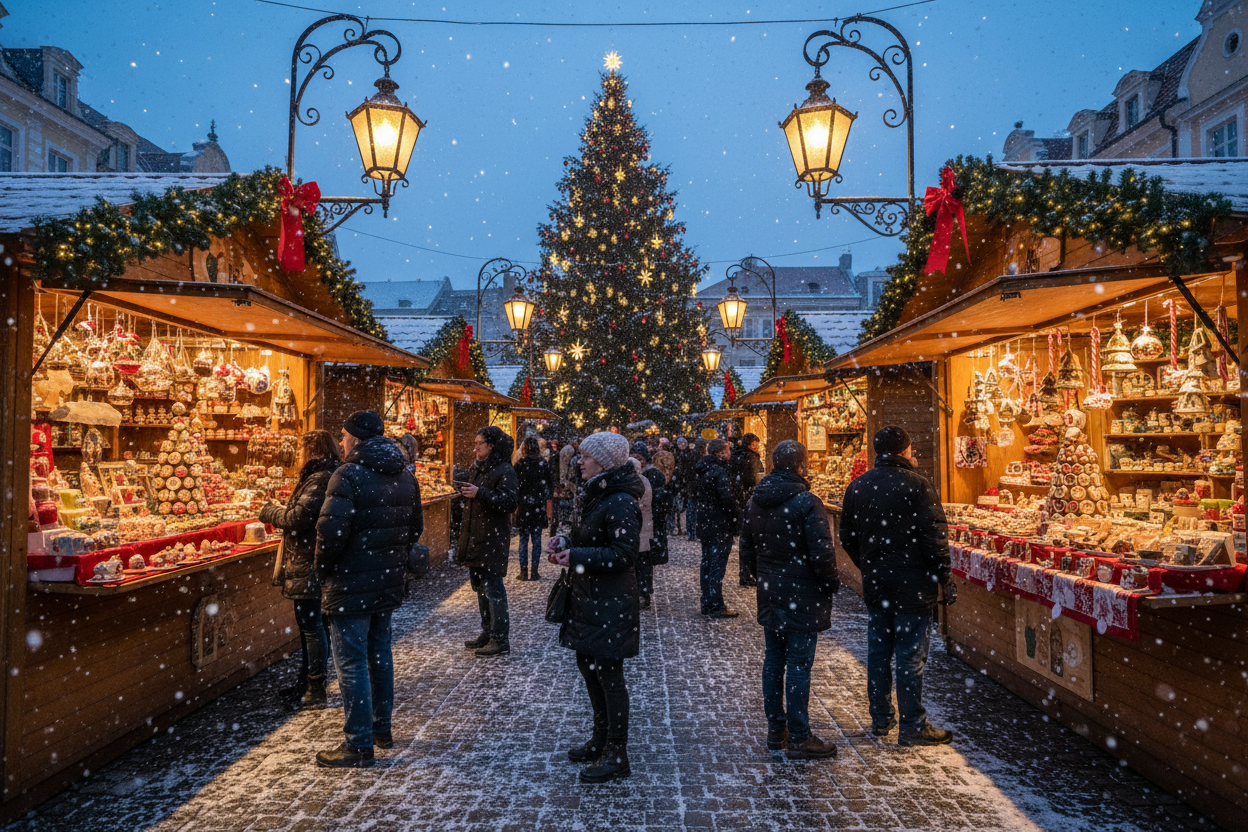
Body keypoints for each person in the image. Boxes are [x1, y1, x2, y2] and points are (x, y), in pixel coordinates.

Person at [314, 411, 423, 768]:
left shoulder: (347, 475)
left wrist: (323, 570)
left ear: (356, 439)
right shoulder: (405, 475)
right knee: (380, 655)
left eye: (344, 436)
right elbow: (414, 528)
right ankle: (381, 728)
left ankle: (358, 744)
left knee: (351, 662)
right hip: (386, 580)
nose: (341, 442)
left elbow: (330, 534)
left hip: (350, 581)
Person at [840, 425, 955, 747]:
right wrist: (943, 576)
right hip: (914, 585)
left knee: (878, 653)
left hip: (878, 583)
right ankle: (912, 725)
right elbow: (935, 539)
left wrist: (869, 564)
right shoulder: (918, 486)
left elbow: (847, 536)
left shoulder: (858, 486)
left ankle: (881, 718)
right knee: (910, 656)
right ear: (906, 450)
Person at [549, 431, 642, 783]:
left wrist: (575, 556)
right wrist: (567, 541)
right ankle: (601, 739)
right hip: (591, 598)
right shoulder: (598, 494)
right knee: (590, 669)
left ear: (603, 461)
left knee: (609, 676)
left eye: (586, 456)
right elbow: (593, 538)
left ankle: (617, 752)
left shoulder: (619, 500)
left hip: (610, 601)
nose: (579, 460)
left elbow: (623, 554)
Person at [739, 440, 840, 759]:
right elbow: (822, 553)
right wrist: (830, 584)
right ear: (800, 465)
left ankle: (776, 729)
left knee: (774, 660)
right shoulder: (807, 502)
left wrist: (761, 575)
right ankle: (798, 735)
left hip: (772, 591)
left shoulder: (758, 499)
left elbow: (746, 546)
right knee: (798, 663)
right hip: (802, 592)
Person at [260, 430, 341, 711]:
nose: (297, 454)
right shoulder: (324, 475)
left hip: (308, 561)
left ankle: (315, 684)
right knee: (313, 625)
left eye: (301, 449)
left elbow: (298, 518)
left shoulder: (318, 479)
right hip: (311, 560)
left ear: (312, 450)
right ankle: (306, 680)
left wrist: (270, 511)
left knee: (311, 626)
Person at [458, 425, 519, 657]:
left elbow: (510, 502)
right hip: (477, 537)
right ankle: (488, 632)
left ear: (491, 446)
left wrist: (480, 493)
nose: (475, 447)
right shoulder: (478, 468)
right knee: (481, 589)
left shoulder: (504, 470)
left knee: (493, 589)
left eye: (479, 443)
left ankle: (500, 638)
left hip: (492, 539)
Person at [694, 438, 741, 618]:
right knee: (716, 565)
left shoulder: (703, 469)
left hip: (706, 522)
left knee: (707, 562)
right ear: (721, 453)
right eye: (727, 450)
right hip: (719, 524)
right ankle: (715, 604)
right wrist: (735, 518)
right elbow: (727, 499)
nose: (730, 453)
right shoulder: (719, 472)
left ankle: (707, 601)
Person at [513, 435, 554, 581]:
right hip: (538, 506)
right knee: (536, 540)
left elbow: (514, 485)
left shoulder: (520, 464)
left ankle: (523, 571)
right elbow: (549, 486)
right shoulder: (542, 463)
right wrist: (545, 499)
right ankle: (535, 571)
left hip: (524, 506)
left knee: (523, 539)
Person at [733, 433, 764, 587]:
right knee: (751, 541)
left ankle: (745, 573)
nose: (758, 448)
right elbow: (755, 480)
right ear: (752, 445)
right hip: (751, 502)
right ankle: (749, 573)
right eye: (757, 445)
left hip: (741, 501)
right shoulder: (752, 459)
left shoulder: (736, 456)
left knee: (745, 541)